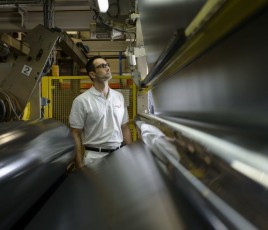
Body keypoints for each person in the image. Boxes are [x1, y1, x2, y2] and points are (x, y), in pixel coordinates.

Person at [69, 55, 132, 168]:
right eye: (102, 66)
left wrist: (131, 155)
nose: (107, 68)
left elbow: (125, 127)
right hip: (95, 158)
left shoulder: (119, 97)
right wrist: (79, 164)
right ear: (92, 74)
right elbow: (75, 133)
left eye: (107, 65)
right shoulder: (82, 101)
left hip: (119, 155)